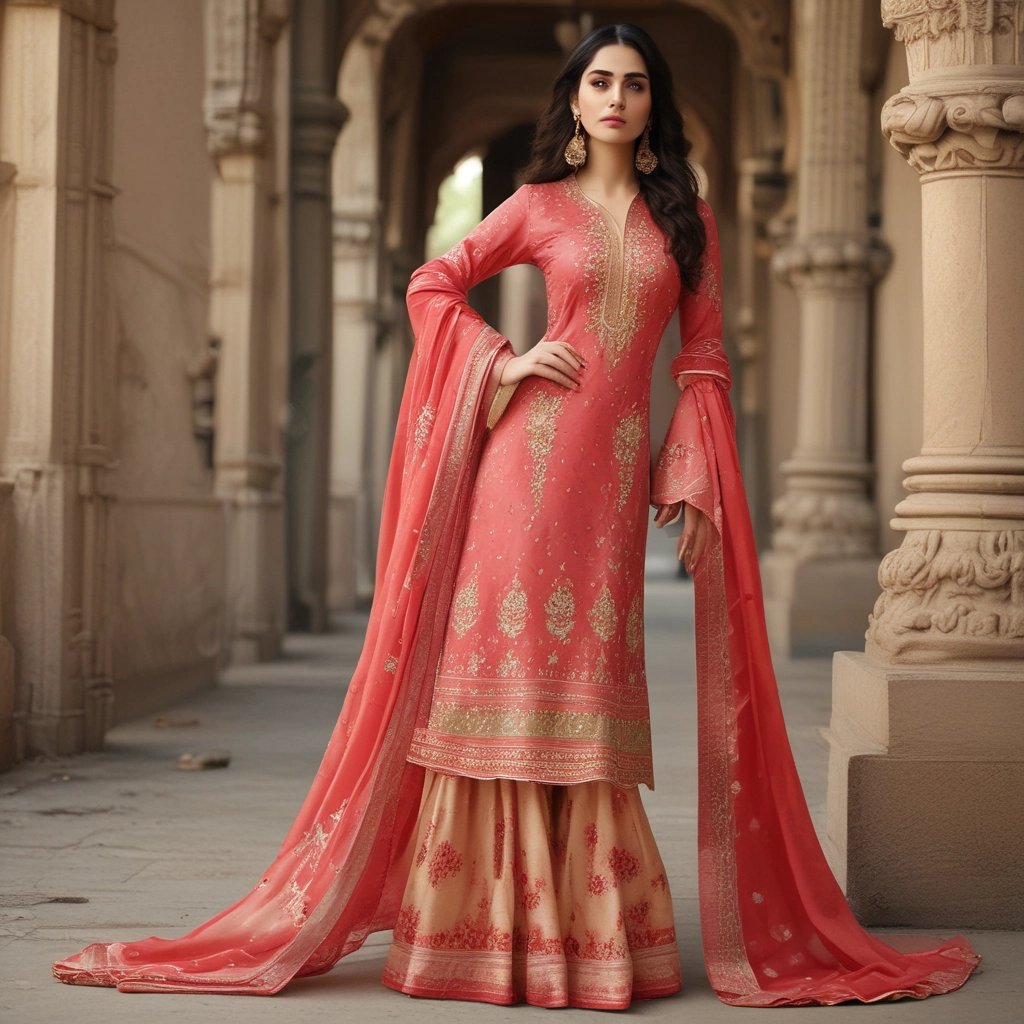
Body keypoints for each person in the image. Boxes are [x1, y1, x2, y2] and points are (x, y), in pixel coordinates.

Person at [51, 22, 981, 1009]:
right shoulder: (538, 206)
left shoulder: (685, 223)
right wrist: (507, 362)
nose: (615, 98)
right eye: (598, 83)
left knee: (584, 686)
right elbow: (432, 282)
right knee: (506, 679)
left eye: (632, 84)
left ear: (652, 106)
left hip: (611, 485)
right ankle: (482, 933)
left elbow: (700, 356)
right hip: (519, 474)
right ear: (573, 103)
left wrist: (691, 468)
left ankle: (583, 933)